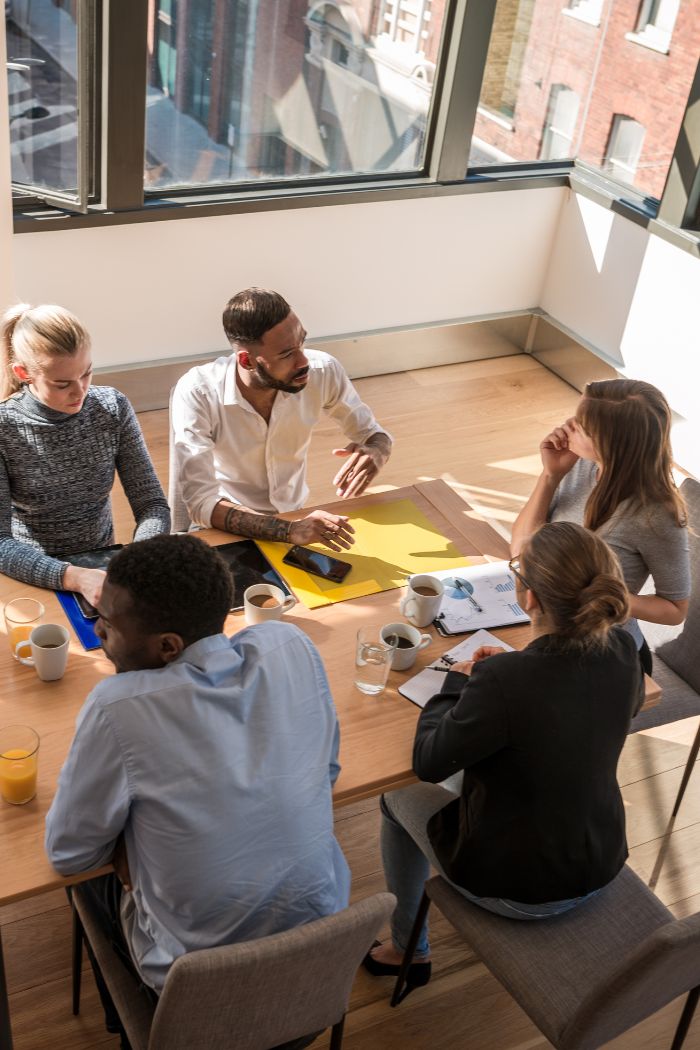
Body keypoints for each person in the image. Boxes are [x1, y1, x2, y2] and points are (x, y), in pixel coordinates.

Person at [45, 533, 350, 1045]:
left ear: (167, 645)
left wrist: (131, 852)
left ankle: (125, 1025)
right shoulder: (290, 645)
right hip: (316, 982)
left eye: (108, 624)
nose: (96, 631)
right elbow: (329, 771)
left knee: (87, 883)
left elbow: (69, 853)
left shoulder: (117, 707)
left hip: (201, 1009)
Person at [364, 521, 643, 996]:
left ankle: (407, 950)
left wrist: (458, 682)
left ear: (528, 598)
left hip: (520, 890)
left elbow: (429, 762)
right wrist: (506, 677)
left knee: (394, 798)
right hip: (602, 857)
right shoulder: (624, 648)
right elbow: (581, 706)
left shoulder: (505, 681)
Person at [171, 287, 392, 552]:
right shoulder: (198, 391)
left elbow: (372, 434)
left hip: (295, 517)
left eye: (302, 343)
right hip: (223, 528)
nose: (303, 361)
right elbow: (201, 503)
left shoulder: (323, 370)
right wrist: (290, 530)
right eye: (287, 354)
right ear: (247, 360)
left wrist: (378, 449)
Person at [510, 378, 689, 674]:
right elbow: (521, 549)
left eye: (580, 426)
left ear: (609, 444)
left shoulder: (657, 516)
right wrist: (550, 475)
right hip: (546, 625)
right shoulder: (580, 465)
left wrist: (600, 596)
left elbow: (674, 611)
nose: (568, 425)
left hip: (605, 654)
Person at [0, 304, 170, 606]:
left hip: (104, 567)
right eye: (62, 384)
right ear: (23, 373)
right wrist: (74, 577)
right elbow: (1, 544)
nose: (80, 391)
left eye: (87, 373)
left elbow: (153, 504)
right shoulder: (5, 428)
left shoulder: (111, 407)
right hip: (32, 575)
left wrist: (135, 559)